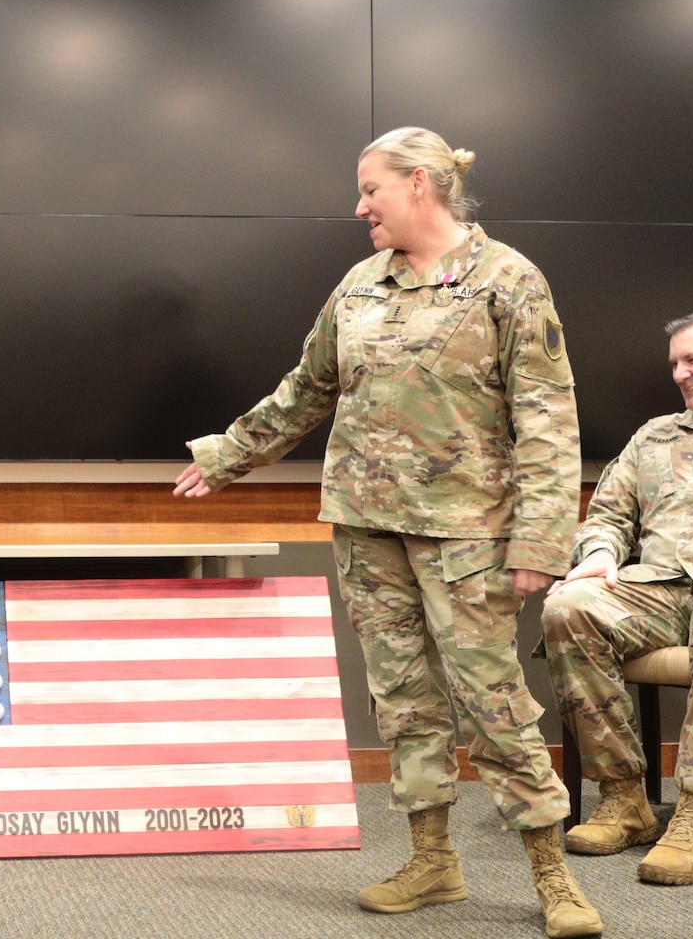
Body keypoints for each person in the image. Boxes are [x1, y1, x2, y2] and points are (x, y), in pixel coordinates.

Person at [175, 127, 599, 938]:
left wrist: (543, 542)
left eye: (371, 189)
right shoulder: (360, 285)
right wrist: (229, 454)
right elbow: (308, 388)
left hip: (466, 532)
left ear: (420, 186)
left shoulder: (508, 281)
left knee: (494, 700)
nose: (359, 205)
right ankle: (433, 863)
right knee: (403, 700)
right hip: (368, 526)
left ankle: (552, 877)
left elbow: (549, 420)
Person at [542, 308, 693, 885]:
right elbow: (607, 516)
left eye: (692, 359)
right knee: (568, 606)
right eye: (674, 363)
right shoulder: (653, 436)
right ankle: (624, 798)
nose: (680, 373)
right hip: (655, 590)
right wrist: (600, 556)